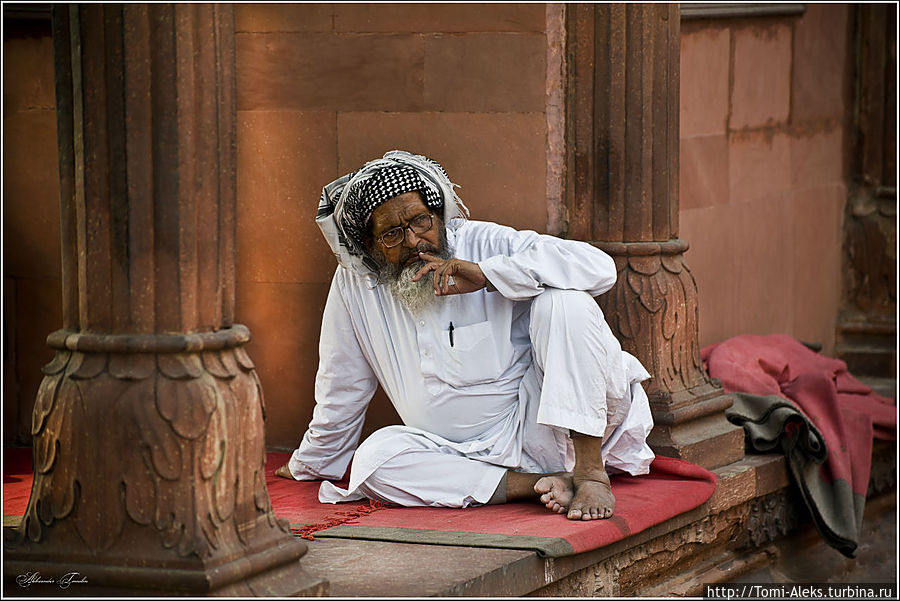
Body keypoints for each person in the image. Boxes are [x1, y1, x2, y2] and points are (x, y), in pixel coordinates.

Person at [276, 150, 654, 520]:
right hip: (456, 455)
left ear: (439, 215)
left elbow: (598, 267)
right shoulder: (356, 284)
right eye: (392, 234)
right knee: (374, 461)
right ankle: (538, 483)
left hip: (548, 427)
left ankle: (589, 472)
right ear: (371, 245)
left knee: (565, 302)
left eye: (420, 221)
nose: (413, 241)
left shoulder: (482, 243)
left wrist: (488, 275)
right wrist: (314, 461)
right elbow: (342, 380)